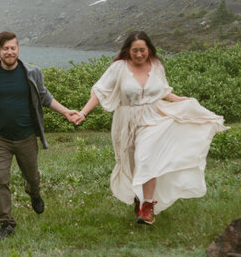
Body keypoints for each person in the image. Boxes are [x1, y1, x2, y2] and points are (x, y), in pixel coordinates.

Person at [77, 31, 226, 225]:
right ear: (128, 51)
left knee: (147, 158)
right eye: (135, 51)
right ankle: (138, 198)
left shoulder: (156, 65)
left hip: (153, 117)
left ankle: (148, 206)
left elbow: (163, 90)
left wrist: (181, 100)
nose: (139, 55)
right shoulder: (118, 68)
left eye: (142, 50)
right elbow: (100, 92)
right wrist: (83, 112)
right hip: (126, 120)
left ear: (149, 49)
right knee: (131, 162)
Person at [0, 31, 82, 239]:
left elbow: (45, 96)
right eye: (5, 48)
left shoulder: (32, 73)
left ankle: (34, 193)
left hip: (26, 137)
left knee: (33, 177)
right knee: (1, 179)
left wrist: (66, 112)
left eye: (13, 48)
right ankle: (6, 223)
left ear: (18, 49)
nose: (9, 52)